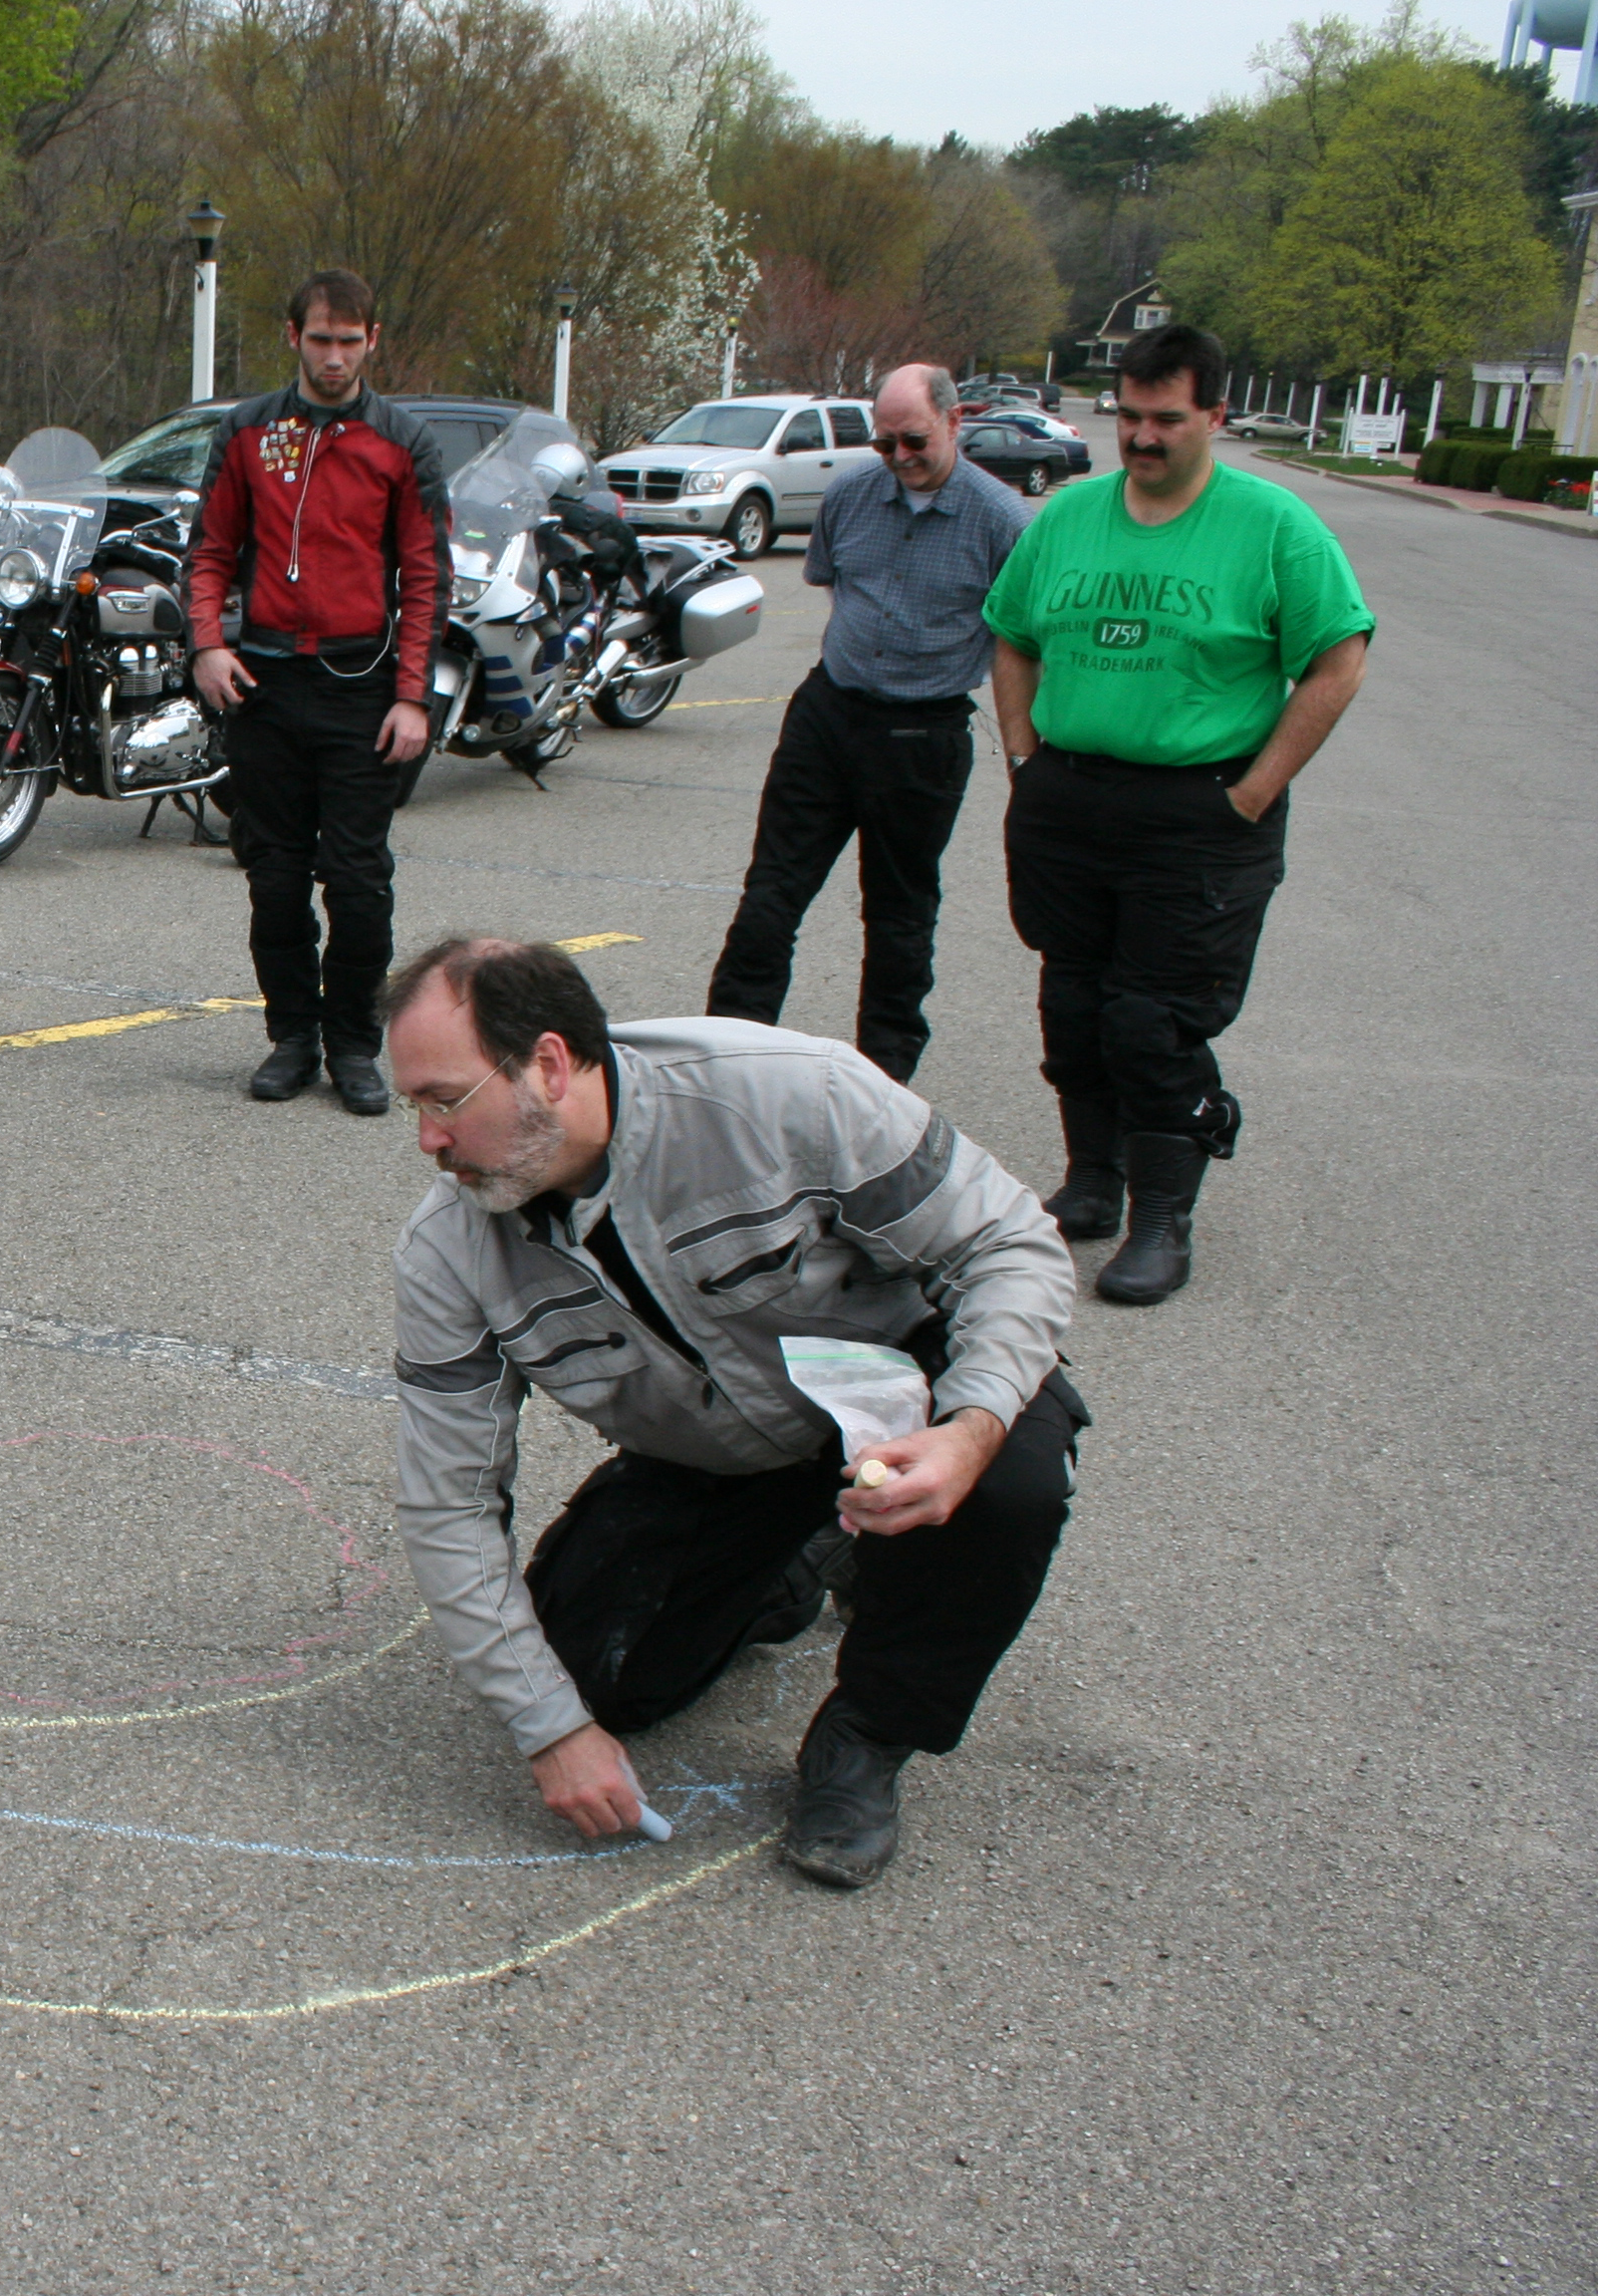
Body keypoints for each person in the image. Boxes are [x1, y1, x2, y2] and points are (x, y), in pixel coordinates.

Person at [382, 934, 1085, 1887]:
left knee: (1011, 1487)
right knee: (595, 1681)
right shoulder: (449, 1251)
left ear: (548, 1063)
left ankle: (867, 1738)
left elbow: (1011, 1247)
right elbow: (449, 1503)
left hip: (896, 1400)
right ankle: (803, 1560)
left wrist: (970, 1428)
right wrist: (554, 1732)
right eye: (413, 1106)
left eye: (444, 1101)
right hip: (713, 1456)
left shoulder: (793, 1094)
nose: (427, 1140)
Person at [987, 323, 1371, 1303]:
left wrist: (1253, 790)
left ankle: (1164, 1219)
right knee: (1074, 1004)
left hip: (1199, 812)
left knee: (1150, 1022)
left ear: (1214, 416)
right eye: (1130, 416)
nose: (1143, 437)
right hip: (1070, 799)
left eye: (1167, 419)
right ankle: (1094, 1182)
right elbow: (1014, 638)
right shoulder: (1069, 519)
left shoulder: (1273, 526)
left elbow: (1337, 661)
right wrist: (1024, 758)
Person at [704, 364, 1029, 1084]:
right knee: (769, 899)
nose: (899, 458)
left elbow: (1021, 645)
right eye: (884, 444)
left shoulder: (1004, 522)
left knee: (899, 918)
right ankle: (726, 1062)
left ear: (954, 423)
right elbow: (831, 584)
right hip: (830, 715)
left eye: (913, 441)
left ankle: (882, 1083)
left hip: (923, 737)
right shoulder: (850, 495)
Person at [184, 269, 450, 1118]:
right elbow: (210, 551)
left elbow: (426, 574)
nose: (333, 358)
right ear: (292, 337)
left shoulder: (402, 443)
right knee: (274, 875)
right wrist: (207, 646)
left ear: (373, 340)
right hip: (264, 681)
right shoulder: (250, 432)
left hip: (362, 688)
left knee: (359, 879)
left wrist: (413, 695)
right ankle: (292, 1036)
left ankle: (354, 1044)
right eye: (319, 339)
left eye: (349, 341)